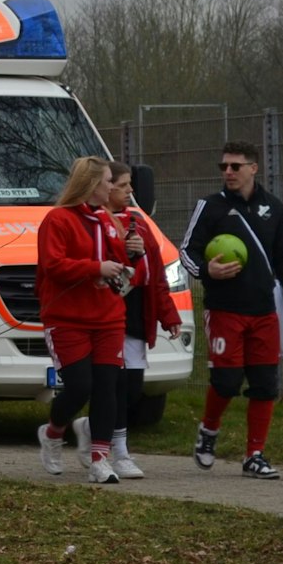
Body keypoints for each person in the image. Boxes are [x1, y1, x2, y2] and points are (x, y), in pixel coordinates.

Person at [179, 141, 283, 479]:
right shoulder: (210, 206)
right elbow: (187, 253)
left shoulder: (274, 208)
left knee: (266, 385)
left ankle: (254, 455)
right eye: (224, 167)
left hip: (264, 311)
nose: (229, 173)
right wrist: (209, 271)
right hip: (225, 310)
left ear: (254, 168)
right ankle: (208, 431)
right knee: (226, 381)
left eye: (236, 166)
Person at [34, 155, 131, 485]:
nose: (112, 186)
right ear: (91, 184)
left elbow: (116, 263)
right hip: (67, 317)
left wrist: (131, 255)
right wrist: (95, 268)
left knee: (107, 386)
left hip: (108, 316)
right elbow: (53, 265)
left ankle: (100, 460)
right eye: (107, 181)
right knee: (79, 386)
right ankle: (52, 433)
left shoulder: (109, 220)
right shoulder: (58, 220)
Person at [89, 160, 184, 479]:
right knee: (111, 385)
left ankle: (91, 428)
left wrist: (169, 315)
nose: (131, 190)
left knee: (131, 388)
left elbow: (156, 275)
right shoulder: (92, 222)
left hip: (135, 318)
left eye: (131, 184)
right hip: (104, 315)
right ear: (106, 187)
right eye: (124, 185)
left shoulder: (140, 224)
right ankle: (119, 453)